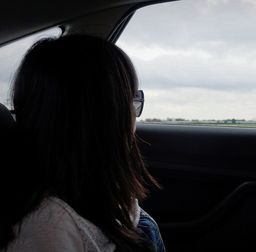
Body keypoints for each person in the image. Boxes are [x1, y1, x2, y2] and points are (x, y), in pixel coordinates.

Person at [0, 35, 165, 252]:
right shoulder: (50, 226)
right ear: (104, 114)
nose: (134, 116)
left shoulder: (97, 187)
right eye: (130, 99)